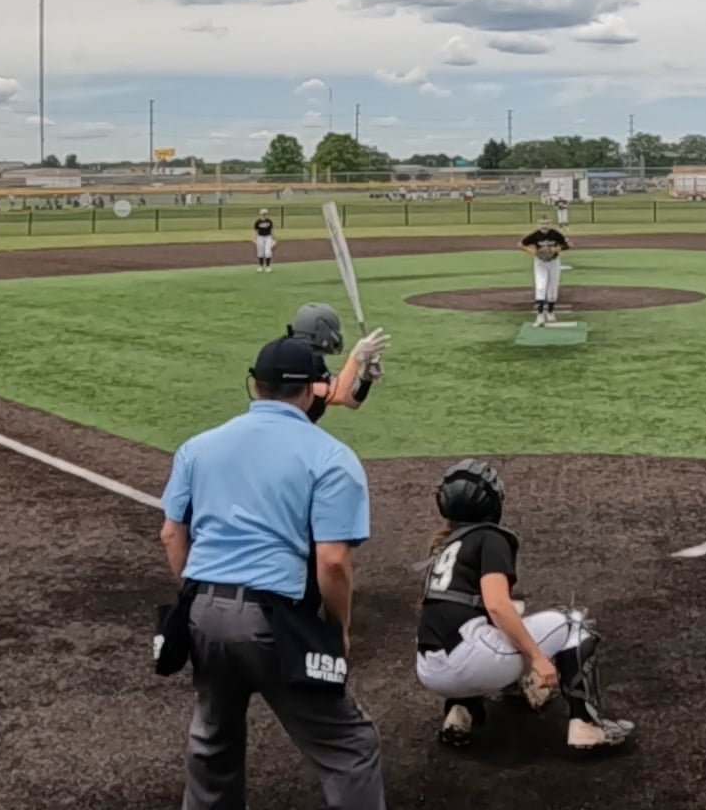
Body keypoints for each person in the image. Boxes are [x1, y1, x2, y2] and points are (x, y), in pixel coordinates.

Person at [160, 337, 386, 810]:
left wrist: (200, 597)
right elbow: (333, 561)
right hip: (273, 621)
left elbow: (171, 535)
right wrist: (338, 628)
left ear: (255, 385)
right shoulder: (330, 457)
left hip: (202, 613)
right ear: (309, 390)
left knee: (213, 742)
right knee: (349, 747)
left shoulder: (198, 447)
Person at [415, 459, 635, 752]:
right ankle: (587, 726)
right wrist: (537, 658)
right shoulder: (490, 538)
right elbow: (496, 605)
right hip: (469, 663)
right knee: (573, 623)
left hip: (430, 669)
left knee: (496, 621)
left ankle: (461, 712)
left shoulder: (444, 547)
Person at [287, 303, 392, 422]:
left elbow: (350, 401)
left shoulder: (313, 361)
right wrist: (356, 357)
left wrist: (365, 379)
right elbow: (338, 395)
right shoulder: (290, 362)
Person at [520, 220, 570, 325]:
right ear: (538, 225)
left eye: (547, 223)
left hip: (554, 262)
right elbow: (520, 244)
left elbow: (568, 245)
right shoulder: (535, 235)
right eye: (542, 224)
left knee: (553, 287)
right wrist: (533, 252)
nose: (544, 226)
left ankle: (550, 312)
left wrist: (556, 249)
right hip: (540, 263)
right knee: (540, 287)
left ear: (550, 224)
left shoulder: (555, 234)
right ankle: (540, 315)